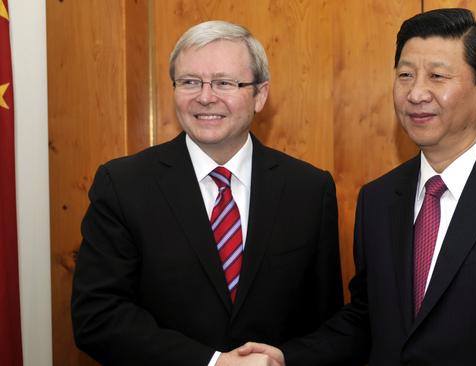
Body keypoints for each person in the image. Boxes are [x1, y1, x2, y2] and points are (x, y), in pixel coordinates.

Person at [239, 8, 476, 365]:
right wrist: (286, 357)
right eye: (405, 76)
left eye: (437, 76)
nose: (416, 93)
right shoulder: (378, 199)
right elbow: (368, 320)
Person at [71, 20, 344, 366]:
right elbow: (98, 316)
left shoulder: (309, 189)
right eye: (189, 82)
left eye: (224, 82)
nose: (204, 97)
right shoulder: (122, 185)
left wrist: (286, 359)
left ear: (259, 95)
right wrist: (214, 362)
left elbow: (327, 325)